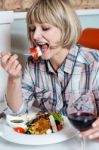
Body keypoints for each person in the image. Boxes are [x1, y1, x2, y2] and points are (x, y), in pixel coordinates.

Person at [0, 0, 99, 140]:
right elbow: (17, 115)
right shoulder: (33, 64)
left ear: (65, 28)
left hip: (85, 141)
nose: (35, 36)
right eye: (32, 29)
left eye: (45, 28)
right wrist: (14, 78)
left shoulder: (94, 63)